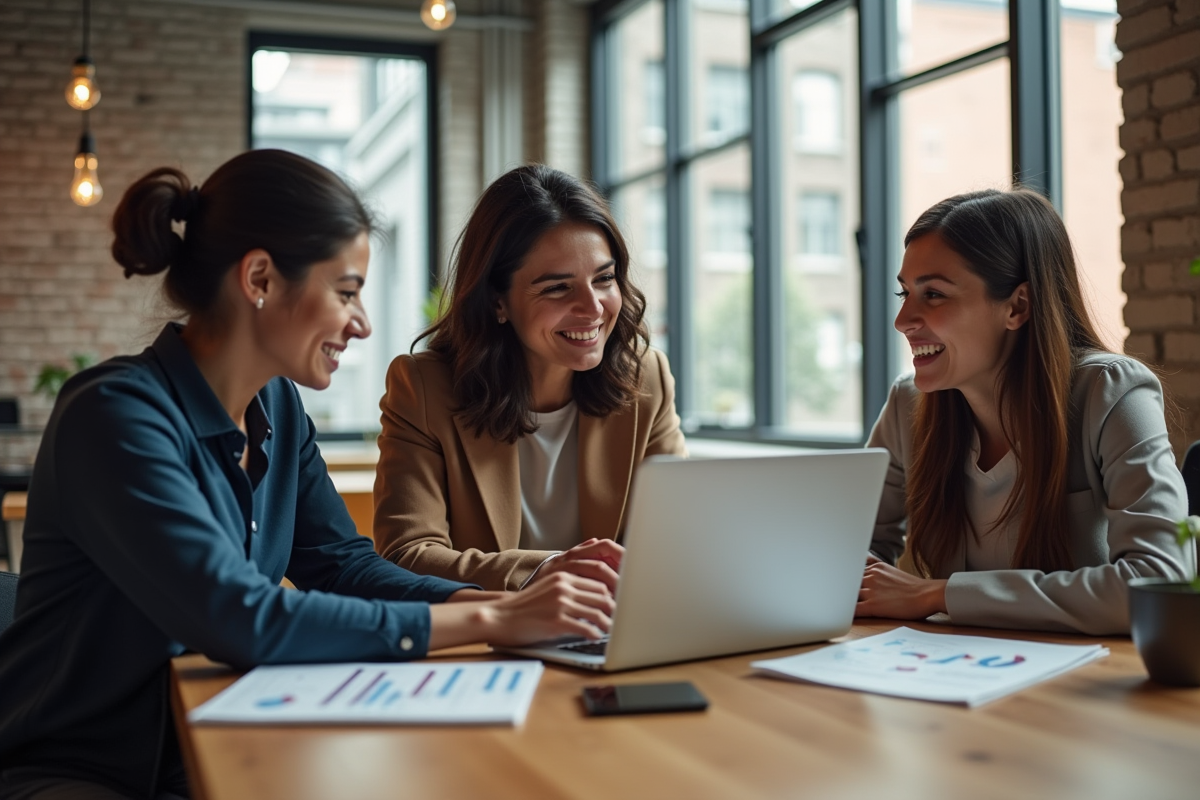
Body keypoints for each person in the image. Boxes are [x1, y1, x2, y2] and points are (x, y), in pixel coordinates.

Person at [0, 151, 614, 799]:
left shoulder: (277, 408)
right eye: (346, 292)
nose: (362, 323)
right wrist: (492, 623)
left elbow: (343, 564)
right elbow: (241, 615)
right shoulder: (113, 415)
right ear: (260, 278)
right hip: (77, 769)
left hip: (207, 744)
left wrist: (500, 605)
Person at [857, 188, 1195, 635]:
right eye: (905, 294)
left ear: (1017, 306)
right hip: (952, 671)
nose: (903, 320)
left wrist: (936, 594)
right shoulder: (908, 405)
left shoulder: (1111, 394)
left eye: (934, 294)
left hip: (1080, 683)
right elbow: (859, 554)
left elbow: (1157, 582)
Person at [374, 164, 686, 592]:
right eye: (558, 288)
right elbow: (405, 554)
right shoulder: (423, 388)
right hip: (489, 640)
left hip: (610, 634)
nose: (593, 308)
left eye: (605, 278)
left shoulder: (648, 377)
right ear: (498, 301)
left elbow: (674, 542)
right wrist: (549, 571)